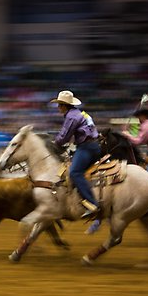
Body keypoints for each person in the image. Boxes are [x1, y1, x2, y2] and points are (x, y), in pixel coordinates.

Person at [50, 90, 101, 222]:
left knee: (74, 173)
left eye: (59, 104)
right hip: (92, 146)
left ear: (64, 105)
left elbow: (64, 137)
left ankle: (93, 204)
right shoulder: (80, 114)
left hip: (86, 147)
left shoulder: (71, 117)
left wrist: (54, 144)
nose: (58, 107)